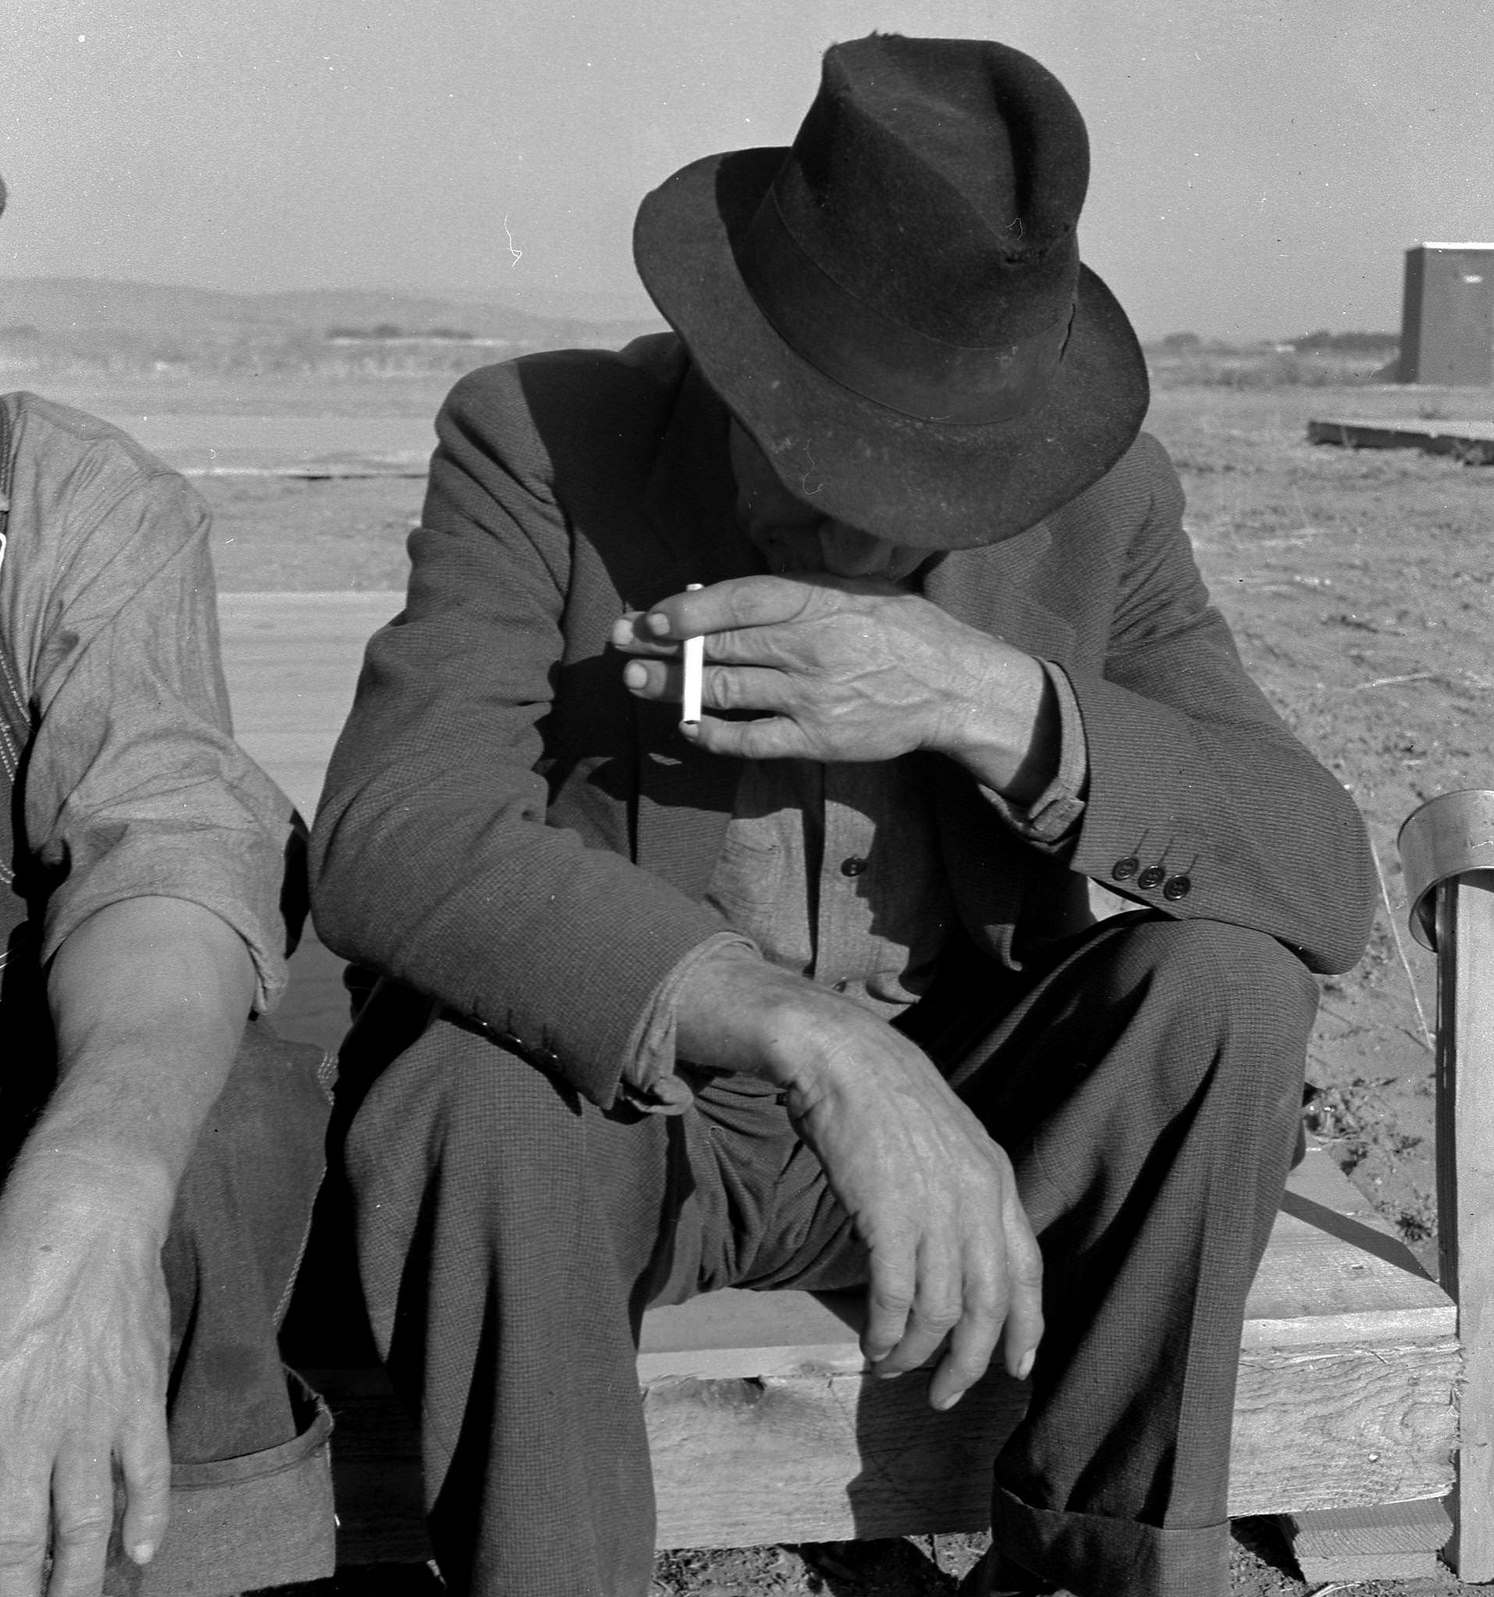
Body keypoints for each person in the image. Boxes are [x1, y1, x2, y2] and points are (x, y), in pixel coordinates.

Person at [309, 35, 1376, 1597]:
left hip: (987, 1116)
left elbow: (1318, 873)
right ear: (729, 346)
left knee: (1224, 989)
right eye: (815, 448)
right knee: (465, 1093)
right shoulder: (539, 442)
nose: (856, 519)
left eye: (922, 483)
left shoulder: (1104, 506)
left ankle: (1097, 1566)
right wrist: (813, 1040)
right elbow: (392, 827)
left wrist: (978, 695)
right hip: (645, 1126)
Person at [0, 175, 335, 1597]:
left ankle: (192, 1561)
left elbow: (166, 844)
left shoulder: (79, 509)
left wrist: (101, 1165)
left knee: (215, 1122)